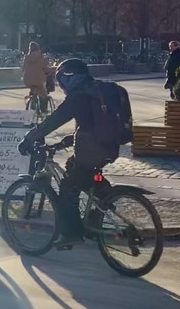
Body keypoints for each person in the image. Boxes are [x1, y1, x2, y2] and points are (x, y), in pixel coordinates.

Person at [18, 58, 114, 249]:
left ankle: (72, 234)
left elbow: (54, 120)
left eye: (62, 81)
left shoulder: (79, 96)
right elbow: (90, 125)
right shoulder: (96, 90)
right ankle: (103, 203)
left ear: (70, 78)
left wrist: (30, 136)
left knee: (67, 189)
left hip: (91, 150)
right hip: (110, 146)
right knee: (75, 169)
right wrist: (64, 143)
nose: (61, 86)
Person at [22, 42, 52, 113]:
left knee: (33, 89)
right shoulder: (40, 57)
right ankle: (43, 110)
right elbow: (46, 68)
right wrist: (50, 72)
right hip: (39, 80)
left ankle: (32, 102)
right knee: (44, 95)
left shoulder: (26, 57)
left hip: (27, 80)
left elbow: (23, 68)